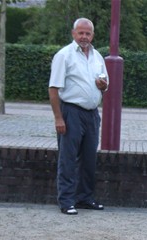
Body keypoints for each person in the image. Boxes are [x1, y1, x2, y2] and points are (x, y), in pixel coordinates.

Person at [49, 18, 108, 215]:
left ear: (93, 35)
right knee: (68, 157)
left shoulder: (97, 56)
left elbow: (105, 84)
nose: (84, 37)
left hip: (92, 113)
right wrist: (59, 118)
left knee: (89, 158)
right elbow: (54, 88)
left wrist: (103, 85)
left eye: (88, 33)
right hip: (71, 111)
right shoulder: (64, 56)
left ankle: (85, 198)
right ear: (73, 33)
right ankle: (66, 200)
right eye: (80, 33)